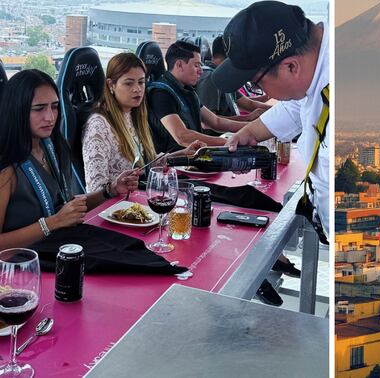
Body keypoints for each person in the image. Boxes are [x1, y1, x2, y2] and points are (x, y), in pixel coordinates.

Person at [214, 1, 330, 236]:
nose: (256, 89)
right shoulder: (314, 70)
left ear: (291, 67)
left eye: (255, 83)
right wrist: (249, 132)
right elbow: (296, 107)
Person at [0, 70, 139, 250]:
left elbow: (67, 207)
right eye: (39, 109)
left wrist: (109, 191)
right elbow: (58, 218)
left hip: (60, 248)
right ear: (16, 109)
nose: (49, 117)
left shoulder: (53, 147)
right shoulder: (6, 167)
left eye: (55, 106)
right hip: (23, 267)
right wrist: (52, 223)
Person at [81, 53, 188, 193]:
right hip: (114, 208)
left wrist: (183, 154)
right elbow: (94, 190)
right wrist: (114, 188)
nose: (137, 89)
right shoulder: (98, 126)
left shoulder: (132, 114)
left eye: (141, 82)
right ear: (111, 85)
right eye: (129, 83)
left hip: (136, 197)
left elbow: (145, 163)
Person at [147, 41, 252, 153]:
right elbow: (182, 136)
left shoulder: (187, 90)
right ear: (179, 65)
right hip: (174, 165)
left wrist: (252, 129)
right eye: (196, 65)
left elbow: (215, 122)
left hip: (194, 158)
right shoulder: (161, 94)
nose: (201, 71)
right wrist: (226, 142)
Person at [197, 36, 268, 120]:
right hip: (222, 133)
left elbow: (248, 104)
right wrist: (246, 118)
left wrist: (277, 109)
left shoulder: (225, 77)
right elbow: (208, 122)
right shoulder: (210, 79)